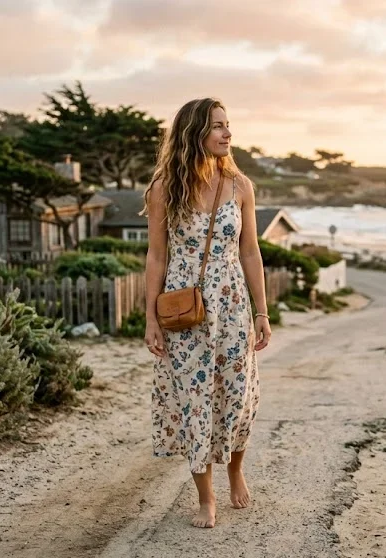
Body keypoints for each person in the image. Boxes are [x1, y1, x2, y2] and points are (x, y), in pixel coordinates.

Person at [143, 98, 271, 529]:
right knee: (195, 402)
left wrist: (262, 313)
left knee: (237, 397)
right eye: (218, 126)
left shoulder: (240, 186)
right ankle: (206, 496)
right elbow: (156, 257)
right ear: (194, 132)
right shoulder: (165, 188)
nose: (227, 133)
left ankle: (236, 467)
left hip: (233, 306)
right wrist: (150, 319)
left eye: (228, 125)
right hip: (186, 311)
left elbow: (250, 250)